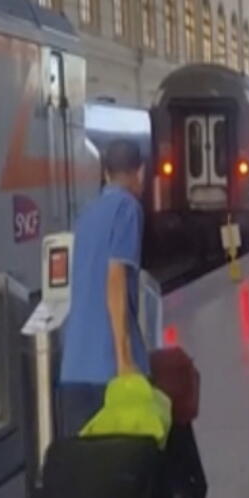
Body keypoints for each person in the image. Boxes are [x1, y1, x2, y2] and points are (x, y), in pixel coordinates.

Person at [58, 139, 151, 436]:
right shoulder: (127, 208)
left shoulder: (87, 214)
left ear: (105, 174)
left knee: (89, 475)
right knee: (125, 471)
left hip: (74, 368)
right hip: (109, 372)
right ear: (140, 173)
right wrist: (125, 358)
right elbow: (115, 279)